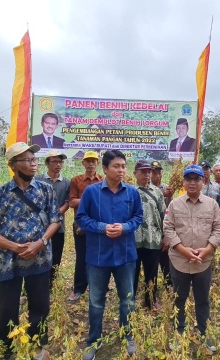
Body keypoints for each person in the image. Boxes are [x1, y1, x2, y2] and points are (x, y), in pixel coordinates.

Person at [0, 142, 62, 359]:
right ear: (13, 165)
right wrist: (14, 247)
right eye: (27, 160)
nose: (33, 164)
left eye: (34, 159)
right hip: (9, 260)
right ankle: (6, 347)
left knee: (40, 304)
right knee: (7, 306)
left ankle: (37, 344)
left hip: (40, 257)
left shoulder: (46, 190)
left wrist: (40, 243)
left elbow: (56, 220)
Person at [78, 150, 143, 360]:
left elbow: (138, 218)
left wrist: (124, 227)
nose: (121, 170)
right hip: (98, 256)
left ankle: (128, 337)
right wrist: (102, 227)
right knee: (96, 301)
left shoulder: (132, 193)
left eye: (123, 166)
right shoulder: (91, 192)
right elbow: (81, 218)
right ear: (105, 169)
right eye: (116, 166)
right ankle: (93, 341)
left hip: (125, 255)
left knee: (127, 300)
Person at [163, 164, 220, 352]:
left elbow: (218, 228)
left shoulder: (212, 204)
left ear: (203, 181)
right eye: (188, 179)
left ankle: (205, 333)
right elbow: (168, 228)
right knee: (179, 298)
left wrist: (206, 250)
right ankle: (179, 332)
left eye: (196, 179)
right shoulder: (175, 204)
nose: (192, 183)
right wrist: (184, 250)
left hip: (203, 262)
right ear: (183, 182)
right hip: (179, 261)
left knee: (203, 299)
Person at [67, 151, 104, 303]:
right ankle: (79, 289)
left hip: (98, 225)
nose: (90, 164)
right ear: (83, 163)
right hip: (81, 225)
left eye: (93, 161)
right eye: (87, 161)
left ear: (98, 163)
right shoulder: (76, 180)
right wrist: (90, 198)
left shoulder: (103, 180)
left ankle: (100, 287)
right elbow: (72, 202)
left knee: (99, 256)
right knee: (81, 257)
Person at [35, 149, 71, 289]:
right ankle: (35, 286)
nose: (58, 165)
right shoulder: (38, 180)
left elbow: (68, 201)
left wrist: (56, 214)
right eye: (55, 162)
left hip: (58, 227)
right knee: (38, 256)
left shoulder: (66, 182)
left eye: (60, 162)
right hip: (40, 226)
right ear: (47, 163)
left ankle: (50, 285)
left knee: (55, 257)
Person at [133, 160, 166, 311]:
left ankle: (151, 299)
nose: (146, 175)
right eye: (143, 172)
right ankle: (130, 300)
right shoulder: (130, 191)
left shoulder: (157, 192)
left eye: (148, 172)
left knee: (151, 272)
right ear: (135, 174)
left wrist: (165, 236)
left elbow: (163, 215)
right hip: (134, 239)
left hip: (153, 238)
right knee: (132, 271)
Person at [150, 160, 174, 289]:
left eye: (159, 172)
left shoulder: (166, 187)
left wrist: (170, 196)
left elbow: (170, 208)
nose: (157, 175)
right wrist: (161, 194)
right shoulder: (147, 187)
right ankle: (151, 287)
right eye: (154, 173)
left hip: (164, 227)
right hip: (152, 229)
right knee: (152, 260)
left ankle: (169, 286)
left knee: (166, 259)